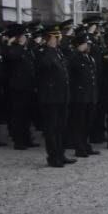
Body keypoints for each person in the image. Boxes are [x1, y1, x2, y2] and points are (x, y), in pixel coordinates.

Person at [36, 27, 73, 167]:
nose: (57, 40)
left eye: (58, 37)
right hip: (50, 98)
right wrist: (49, 47)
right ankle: (53, 157)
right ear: (48, 38)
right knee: (51, 129)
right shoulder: (43, 52)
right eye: (54, 37)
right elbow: (43, 65)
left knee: (61, 127)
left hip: (62, 96)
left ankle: (61, 154)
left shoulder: (58, 52)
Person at [67, 33, 99, 159]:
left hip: (90, 95)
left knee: (88, 122)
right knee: (79, 123)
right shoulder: (74, 58)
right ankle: (79, 148)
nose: (88, 46)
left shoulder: (89, 58)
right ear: (79, 45)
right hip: (79, 96)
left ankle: (86, 145)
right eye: (86, 44)